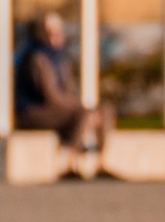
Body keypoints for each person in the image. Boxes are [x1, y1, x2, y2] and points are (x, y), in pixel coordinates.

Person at [13, 12, 113, 178]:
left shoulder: (58, 58)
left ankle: (101, 164)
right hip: (33, 112)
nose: (59, 36)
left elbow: (69, 90)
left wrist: (87, 109)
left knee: (104, 110)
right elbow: (51, 96)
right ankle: (70, 163)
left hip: (59, 109)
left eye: (60, 31)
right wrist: (82, 109)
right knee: (83, 113)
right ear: (42, 34)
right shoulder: (36, 58)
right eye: (53, 32)